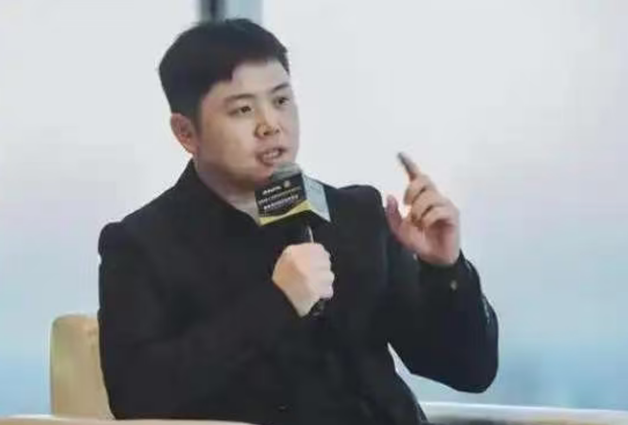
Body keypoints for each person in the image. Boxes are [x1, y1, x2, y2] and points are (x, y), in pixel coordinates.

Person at [98, 18, 498, 425]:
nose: (270, 125)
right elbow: (135, 396)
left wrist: (444, 270)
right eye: (242, 109)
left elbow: (469, 372)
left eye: (281, 101)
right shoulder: (142, 245)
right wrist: (277, 302)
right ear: (186, 133)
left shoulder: (355, 216)